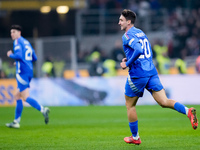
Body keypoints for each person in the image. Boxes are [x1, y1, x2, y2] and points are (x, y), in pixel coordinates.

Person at [118, 9, 198, 145]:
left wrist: (128, 63)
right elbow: (144, 51)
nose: (119, 22)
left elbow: (138, 50)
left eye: (121, 20)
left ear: (128, 22)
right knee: (164, 101)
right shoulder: (141, 32)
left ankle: (135, 137)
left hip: (138, 74)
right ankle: (187, 111)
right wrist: (131, 58)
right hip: (151, 71)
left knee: (130, 105)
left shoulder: (126, 35)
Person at [6, 25, 50, 129]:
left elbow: (19, 56)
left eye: (13, 32)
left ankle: (43, 109)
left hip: (22, 73)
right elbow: (34, 57)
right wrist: (22, 62)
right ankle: (16, 121)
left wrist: (10, 55)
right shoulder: (26, 42)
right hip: (29, 71)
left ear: (19, 32)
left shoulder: (17, 42)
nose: (12, 34)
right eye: (11, 32)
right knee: (17, 96)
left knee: (25, 97)